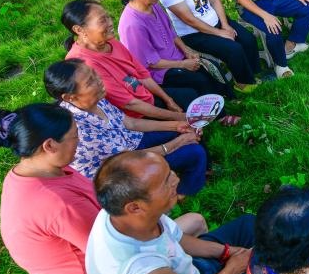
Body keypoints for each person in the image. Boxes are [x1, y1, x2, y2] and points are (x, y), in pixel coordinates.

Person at [85, 151, 255, 274]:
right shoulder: (140, 272)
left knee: (250, 226)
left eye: (169, 172)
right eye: (165, 181)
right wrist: (232, 270)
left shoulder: (125, 215)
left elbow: (178, 239)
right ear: (135, 207)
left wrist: (226, 252)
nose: (176, 179)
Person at [0, 104, 101, 274]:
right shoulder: (58, 203)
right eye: (75, 136)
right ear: (50, 146)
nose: (79, 141)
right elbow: (111, 250)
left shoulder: (33, 169)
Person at [44, 59, 207, 196]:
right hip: (120, 174)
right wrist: (179, 142)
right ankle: (181, 193)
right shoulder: (77, 129)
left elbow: (130, 123)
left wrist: (176, 126)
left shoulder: (95, 98)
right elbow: (126, 160)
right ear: (69, 97)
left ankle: (171, 178)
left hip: (131, 143)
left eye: (94, 73)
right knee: (195, 152)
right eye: (90, 81)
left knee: (185, 134)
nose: (99, 79)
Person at [115, 0, 240, 122]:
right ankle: (221, 117)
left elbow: (171, 31)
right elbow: (150, 63)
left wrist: (187, 50)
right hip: (159, 72)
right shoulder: (132, 25)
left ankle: (226, 99)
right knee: (199, 79)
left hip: (177, 57)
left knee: (211, 66)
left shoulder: (153, 5)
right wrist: (183, 64)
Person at [62, 0, 190, 122]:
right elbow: (130, 105)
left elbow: (142, 74)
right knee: (188, 127)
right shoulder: (84, 64)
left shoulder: (110, 42)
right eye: (102, 21)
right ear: (79, 29)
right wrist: (177, 117)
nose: (110, 23)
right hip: (134, 118)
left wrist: (168, 100)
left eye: (108, 17)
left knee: (191, 95)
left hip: (146, 97)